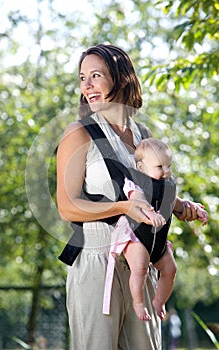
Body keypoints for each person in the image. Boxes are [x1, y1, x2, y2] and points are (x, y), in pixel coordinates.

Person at [56, 44, 207, 350]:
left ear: (121, 78)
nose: (86, 85)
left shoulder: (143, 135)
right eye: (83, 77)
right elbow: (66, 206)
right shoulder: (78, 132)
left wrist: (180, 207)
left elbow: (156, 190)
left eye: (96, 75)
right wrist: (125, 206)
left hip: (143, 263)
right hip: (97, 262)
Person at [103, 138, 208, 323]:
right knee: (140, 267)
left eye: (169, 166)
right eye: (160, 166)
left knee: (170, 269)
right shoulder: (136, 182)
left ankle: (159, 301)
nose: (166, 171)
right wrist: (151, 214)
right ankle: (139, 302)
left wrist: (193, 209)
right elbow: (138, 200)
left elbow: (176, 203)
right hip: (136, 236)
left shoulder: (168, 184)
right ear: (142, 167)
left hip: (158, 240)